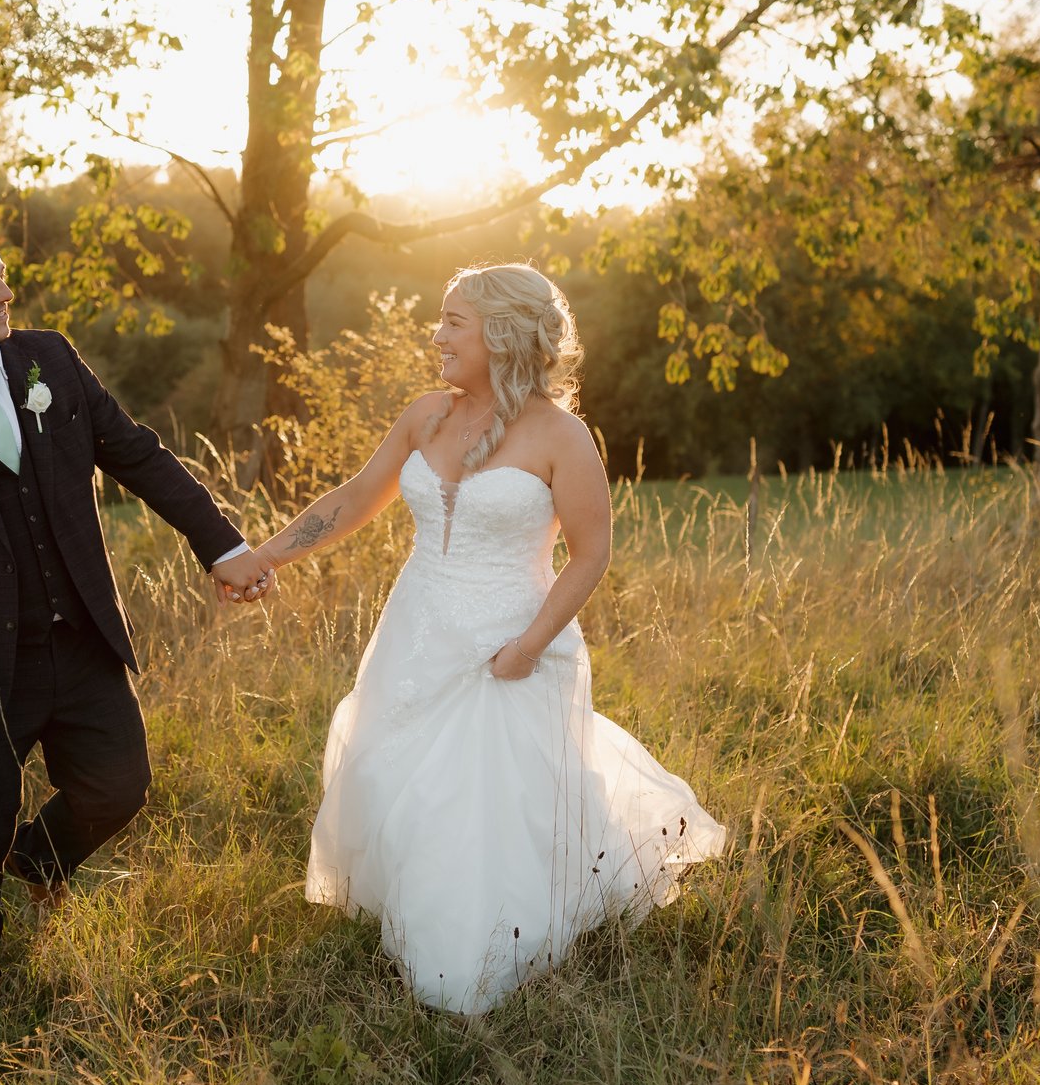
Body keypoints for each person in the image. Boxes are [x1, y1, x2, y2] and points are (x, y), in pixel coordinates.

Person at [251, 264, 727, 1014]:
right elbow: (353, 499)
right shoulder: (425, 416)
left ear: (502, 335)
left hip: (509, 646)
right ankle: (403, 908)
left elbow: (591, 551)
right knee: (393, 774)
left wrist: (531, 645)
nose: (435, 335)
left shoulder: (563, 437)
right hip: (417, 632)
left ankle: (470, 953)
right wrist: (264, 554)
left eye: (452, 322)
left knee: (480, 804)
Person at [0, 221, 275, 998]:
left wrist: (223, 545)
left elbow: (138, 453)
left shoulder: (51, 360)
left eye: (2, 276)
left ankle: (41, 859)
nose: (5, 293)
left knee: (121, 783)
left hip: (79, 640)